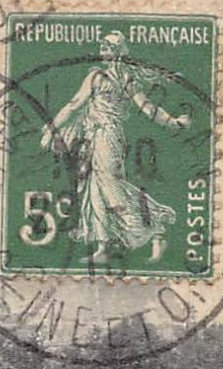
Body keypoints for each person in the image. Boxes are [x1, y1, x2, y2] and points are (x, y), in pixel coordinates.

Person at [40, 31, 190, 265]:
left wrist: (173, 123)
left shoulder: (110, 79)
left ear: (117, 51)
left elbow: (146, 108)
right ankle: (103, 246)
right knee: (94, 188)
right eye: (102, 46)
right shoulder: (109, 77)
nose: (103, 49)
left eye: (107, 46)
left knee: (110, 187)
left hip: (107, 137)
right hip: (94, 137)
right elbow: (74, 106)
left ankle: (154, 225)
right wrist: (51, 129)